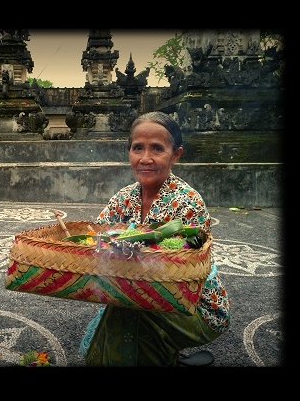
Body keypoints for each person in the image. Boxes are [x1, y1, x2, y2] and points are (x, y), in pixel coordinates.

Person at [83, 111, 231, 366]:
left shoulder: (187, 203)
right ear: (129, 151)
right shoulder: (123, 198)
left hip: (194, 305)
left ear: (176, 154)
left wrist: (128, 255)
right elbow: (96, 239)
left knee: (125, 313)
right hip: (139, 293)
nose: (145, 158)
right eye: (138, 148)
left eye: (157, 149)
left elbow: (184, 274)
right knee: (127, 309)